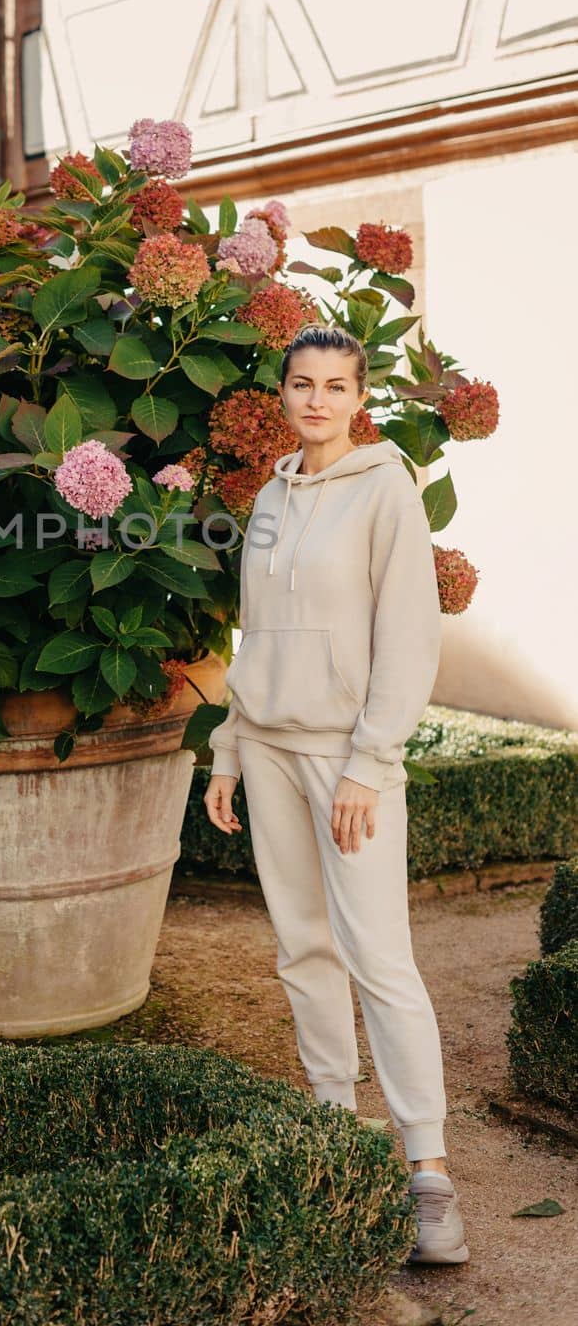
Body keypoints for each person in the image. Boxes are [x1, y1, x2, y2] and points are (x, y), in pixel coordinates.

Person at [203, 322, 469, 1266]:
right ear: (283, 392)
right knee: (301, 948)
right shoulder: (272, 495)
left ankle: (428, 1175)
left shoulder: (386, 488)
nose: (317, 400)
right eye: (302, 383)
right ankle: (333, 1131)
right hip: (267, 750)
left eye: (336, 387)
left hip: (345, 757)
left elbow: (410, 634)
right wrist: (228, 749)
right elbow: (255, 634)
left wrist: (370, 759)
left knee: (378, 956)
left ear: (361, 399)